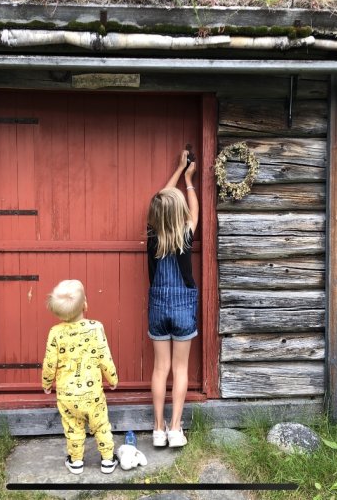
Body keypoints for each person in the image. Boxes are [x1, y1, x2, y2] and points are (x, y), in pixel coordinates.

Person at [146, 149, 199, 448]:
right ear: (180, 215)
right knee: (180, 370)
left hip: (157, 306)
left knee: (159, 369)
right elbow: (192, 208)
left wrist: (178, 170)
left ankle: (157, 428)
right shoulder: (185, 236)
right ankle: (176, 429)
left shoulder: (152, 234)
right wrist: (188, 180)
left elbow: (162, 198)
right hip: (182, 307)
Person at [41, 279, 120, 474]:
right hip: (92, 393)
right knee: (101, 425)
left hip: (67, 394)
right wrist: (112, 378)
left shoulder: (55, 333)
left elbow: (50, 361)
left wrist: (46, 382)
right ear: (85, 304)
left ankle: (76, 462)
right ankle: (108, 460)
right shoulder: (95, 328)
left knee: (73, 428)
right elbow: (104, 355)